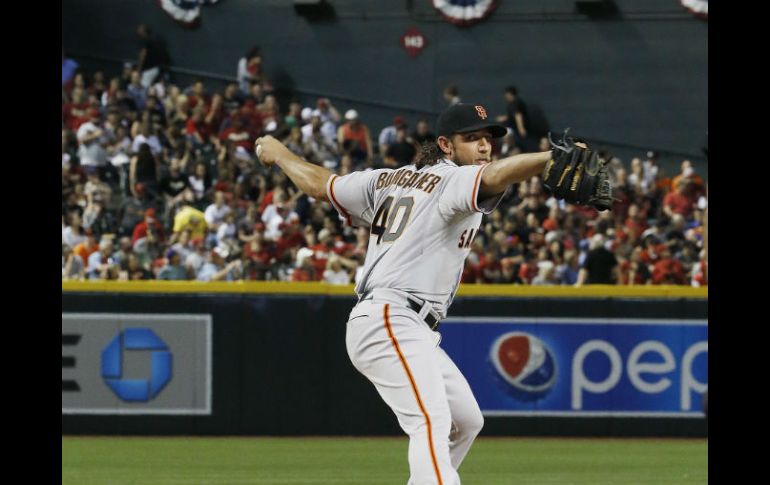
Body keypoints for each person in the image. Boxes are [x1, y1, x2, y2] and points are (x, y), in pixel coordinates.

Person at [254, 102, 559, 485]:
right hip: (390, 318)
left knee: (465, 422)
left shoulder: (386, 179)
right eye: (472, 139)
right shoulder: (453, 180)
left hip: (405, 325)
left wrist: (280, 154)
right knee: (431, 422)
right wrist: (549, 158)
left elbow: (320, 183)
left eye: (488, 139)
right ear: (446, 146)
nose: (484, 147)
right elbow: (496, 175)